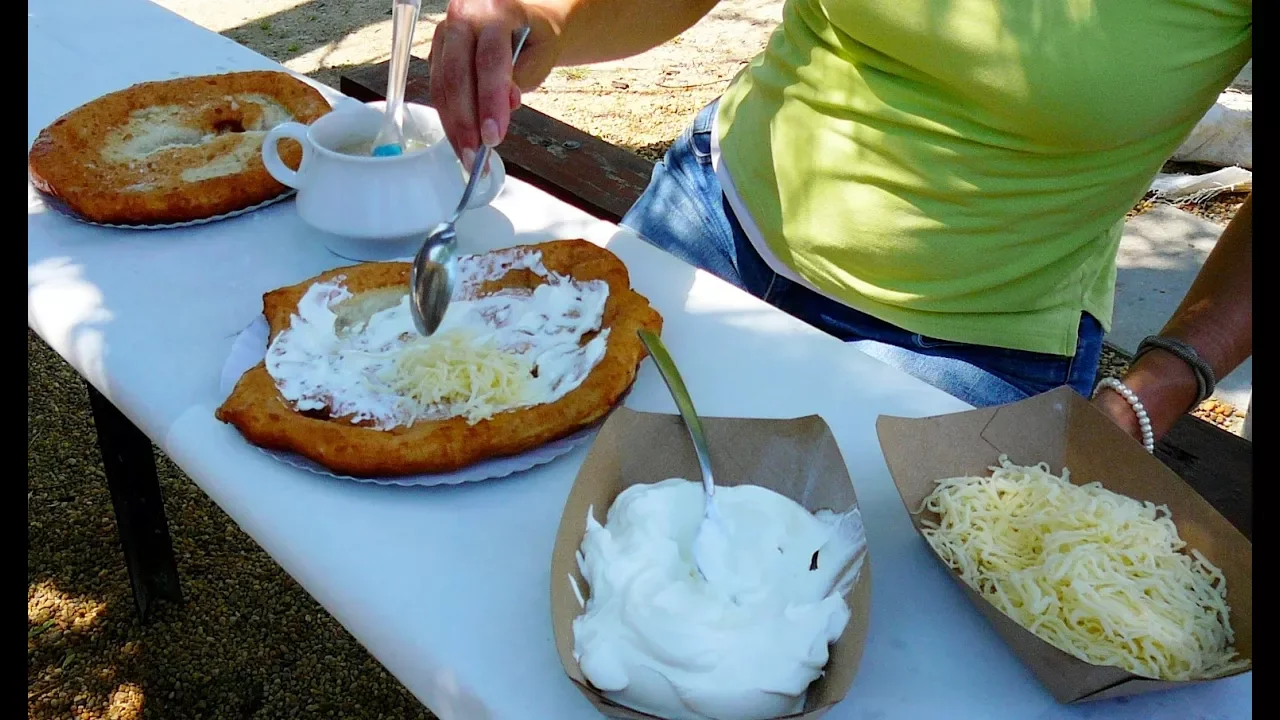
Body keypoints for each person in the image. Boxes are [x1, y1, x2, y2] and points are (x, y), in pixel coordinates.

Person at [428, 0, 1252, 446]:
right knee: (560, 490)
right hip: (712, 221)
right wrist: (541, 16)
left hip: (968, 345)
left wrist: (1172, 375)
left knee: (829, 634)